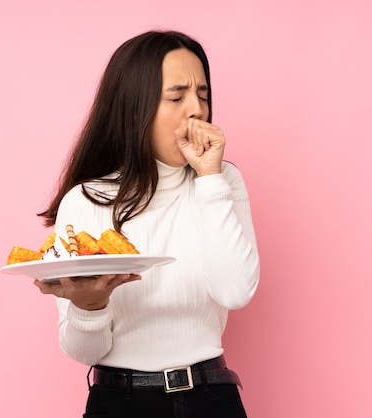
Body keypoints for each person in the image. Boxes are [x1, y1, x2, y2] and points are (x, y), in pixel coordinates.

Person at [34, 30, 260, 418]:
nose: (197, 110)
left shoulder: (222, 183)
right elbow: (83, 352)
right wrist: (89, 307)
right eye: (177, 96)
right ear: (135, 109)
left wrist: (209, 178)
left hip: (212, 400)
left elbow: (235, 291)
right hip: (119, 403)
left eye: (202, 95)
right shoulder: (85, 201)